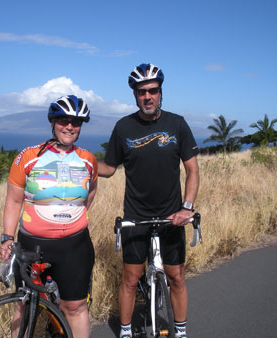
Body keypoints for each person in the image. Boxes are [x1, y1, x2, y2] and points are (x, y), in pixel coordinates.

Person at [98, 63, 200, 338]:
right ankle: (126, 331)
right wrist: (80, 162)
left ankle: (180, 331)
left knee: (176, 277)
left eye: (152, 91)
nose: (147, 97)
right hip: (136, 216)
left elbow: (192, 169)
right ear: (134, 95)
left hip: (172, 216)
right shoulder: (123, 128)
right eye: (141, 92)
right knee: (130, 279)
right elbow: (108, 168)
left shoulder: (177, 124)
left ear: (160, 92)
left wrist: (187, 209)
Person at [0, 95, 98, 338]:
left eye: (76, 122)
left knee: (75, 306)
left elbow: (91, 193)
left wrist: (70, 219)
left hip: (75, 246)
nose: (70, 126)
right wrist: (6, 238)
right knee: (25, 303)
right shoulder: (29, 156)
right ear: (52, 122)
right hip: (33, 244)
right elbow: (13, 200)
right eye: (64, 120)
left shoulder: (88, 160)